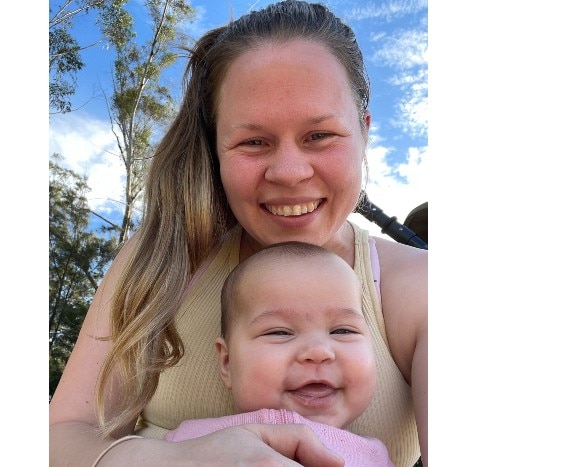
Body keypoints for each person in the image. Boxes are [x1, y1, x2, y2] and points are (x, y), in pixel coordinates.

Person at [49, 1, 427, 466]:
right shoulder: (163, 260)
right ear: (217, 150)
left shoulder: (420, 287)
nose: (289, 172)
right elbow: (61, 434)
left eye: (320, 136)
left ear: (364, 133)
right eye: (253, 142)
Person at [164, 241, 395, 467]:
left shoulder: (375, 457)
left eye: (343, 330)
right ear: (227, 362)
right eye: (279, 332)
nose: (318, 352)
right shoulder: (188, 444)